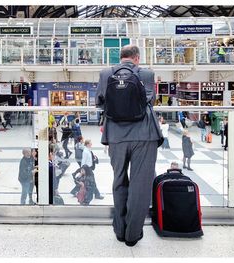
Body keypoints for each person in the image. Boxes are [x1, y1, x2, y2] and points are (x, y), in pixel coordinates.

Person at [96, 45, 163, 246]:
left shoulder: (106, 73)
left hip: (116, 135)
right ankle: (133, 235)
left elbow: (100, 102)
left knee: (119, 180)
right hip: (145, 134)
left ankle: (119, 229)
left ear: (121, 57)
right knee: (140, 185)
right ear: (136, 58)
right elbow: (150, 100)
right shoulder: (148, 73)